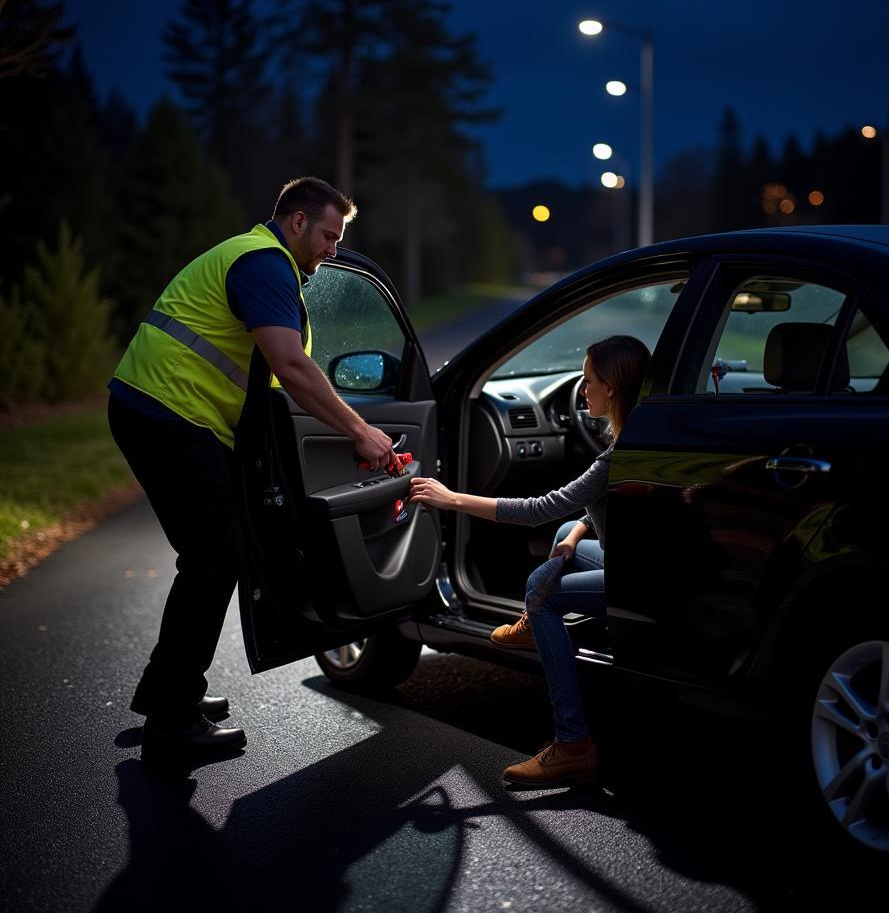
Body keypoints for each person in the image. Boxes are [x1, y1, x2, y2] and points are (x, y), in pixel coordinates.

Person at [108, 176, 397, 763]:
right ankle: (171, 723)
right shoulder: (265, 264)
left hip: (164, 410)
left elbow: (272, 381)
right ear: (297, 222)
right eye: (328, 235)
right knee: (217, 555)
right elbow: (290, 367)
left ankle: (168, 689)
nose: (332, 250)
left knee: (212, 554)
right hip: (168, 411)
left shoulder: (263, 261)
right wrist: (362, 432)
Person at [408, 334, 651, 788]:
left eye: (588, 380)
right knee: (565, 535)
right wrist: (580, 528)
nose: (582, 390)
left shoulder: (617, 455)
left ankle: (573, 744)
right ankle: (534, 625)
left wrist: (452, 498)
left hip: (643, 578)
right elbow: (602, 506)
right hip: (644, 558)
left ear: (612, 390)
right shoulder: (642, 434)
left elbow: (539, 507)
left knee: (541, 593)